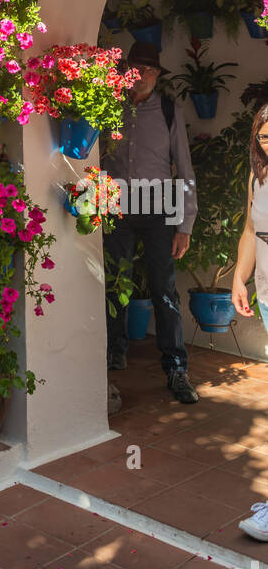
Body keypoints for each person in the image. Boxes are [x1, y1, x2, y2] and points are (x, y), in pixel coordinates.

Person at [102, 40, 200, 404]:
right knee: (115, 282)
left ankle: (176, 367)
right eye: (134, 68)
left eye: (147, 70)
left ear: (157, 75)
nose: (140, 75)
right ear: (124, 71)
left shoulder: (169, 111)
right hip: (116, 208)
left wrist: (185, 223)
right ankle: (114, 351)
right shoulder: (107, 108)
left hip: (160, 210)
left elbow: (184, 170)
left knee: (164, 288)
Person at [231, 105, 268, 542]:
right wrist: (239, 279)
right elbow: (250, 232)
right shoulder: (257, 176)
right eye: (262, 136)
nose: (267, 144)